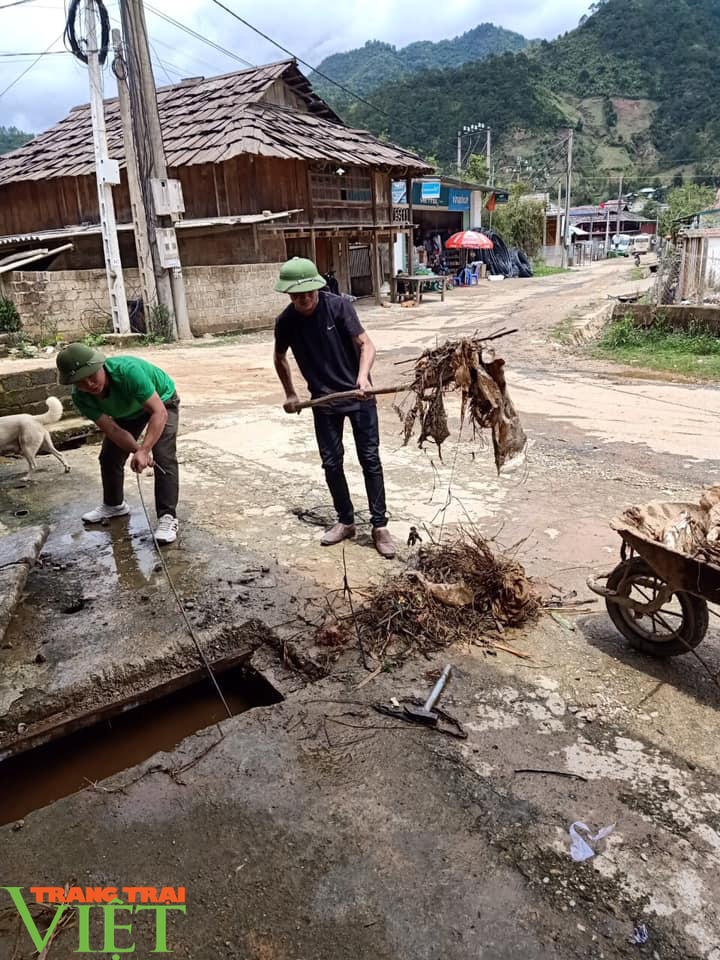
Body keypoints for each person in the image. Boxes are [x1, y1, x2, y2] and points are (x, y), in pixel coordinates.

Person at [272, 257, 395, 559]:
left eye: (310, 293)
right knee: (331, 463)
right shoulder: (285, 322)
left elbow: (366, 345)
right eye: (299, 296)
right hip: (323, 402)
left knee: (370, 459)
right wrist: (290, 393)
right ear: (289, 294)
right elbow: (279, 357)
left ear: (318, 287)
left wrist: (363, 377)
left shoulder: (338, 306)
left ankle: (379, 526)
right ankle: (346, 521)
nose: (306, 299)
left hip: (359, 395)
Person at [56, 343, 180, 544]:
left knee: (163, 454)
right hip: (127, 411)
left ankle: (168, 516)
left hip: (162, 400)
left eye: (92, 375)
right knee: (109, 456)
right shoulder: (80, 397)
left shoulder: (127, 372)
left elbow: (159, 412)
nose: (90, 384)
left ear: (100, 365)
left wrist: (146, 449)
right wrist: (137, 451)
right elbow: (113, 429)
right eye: (81, 381)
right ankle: (114, 505)